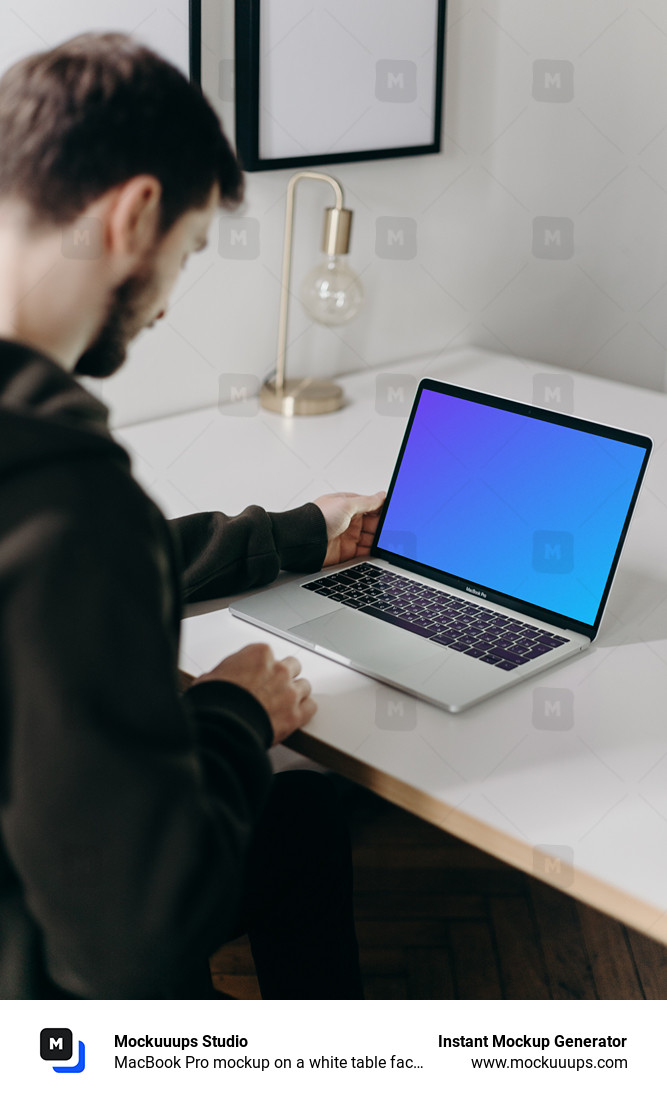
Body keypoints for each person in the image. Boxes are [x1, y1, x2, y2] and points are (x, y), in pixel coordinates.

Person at [0, 32, 385, 999]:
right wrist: (234, 712)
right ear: (135, 215)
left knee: (295, 826)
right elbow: (137, 933)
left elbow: (67, 584)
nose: (168, 300)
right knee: (293, 808)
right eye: (189, 250)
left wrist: (294, 531)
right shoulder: (68, 494)